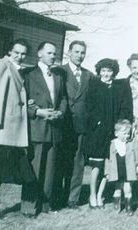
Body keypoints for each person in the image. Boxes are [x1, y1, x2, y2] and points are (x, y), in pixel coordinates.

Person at [0, 39, 34, 219]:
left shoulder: (16, 69)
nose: (20, 56)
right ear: (10, 51)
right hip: (1, 127)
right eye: (17, 52)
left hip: (12, 128)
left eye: (24, 53)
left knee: (1, 168)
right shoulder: (1, 64)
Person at [21, 42, 67, 217]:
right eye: (49, 53)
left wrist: (60, 113)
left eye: (54, 53)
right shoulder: (28, 74)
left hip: (54, 128)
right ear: (39, 54)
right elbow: (20, 101)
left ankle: (45, 205)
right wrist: (38, 112)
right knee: (34, 168)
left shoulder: (57, 75)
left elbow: (63, 98)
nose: (53, 56)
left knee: (50, 170)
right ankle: (29, 207)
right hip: (37, 128)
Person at [84, 58, 132, 209]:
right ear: (99, 71)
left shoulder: (118, 88)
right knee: (97, 166)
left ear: (114, 72)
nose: (106, 74)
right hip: (98, 133)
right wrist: (96, 122)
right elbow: (88, 107)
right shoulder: (94, 85)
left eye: (109, 71)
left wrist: (120, 126)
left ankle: (100, 195)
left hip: (113, 133)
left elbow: (124, 108)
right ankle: (92, 195)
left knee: (108, 167)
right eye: (103, 70)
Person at [52, 40, 94, 210]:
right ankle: (55, 197)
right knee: (59, 161)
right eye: (76, 52)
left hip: (81, 126)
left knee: (78, 163)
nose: (79, 55)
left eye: (82, 52)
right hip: (63, 124)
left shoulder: (89, 75)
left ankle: (72, 199)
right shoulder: (59, 71)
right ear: (69, 52)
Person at [104, 119, 137, 216]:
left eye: (128, 134)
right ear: (116, 133)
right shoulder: (112, 144)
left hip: (128, 171)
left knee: (128, 189)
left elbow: (135, 156)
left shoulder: (131, 144)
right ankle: (116, 205)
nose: (126, 136)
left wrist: (137, 167)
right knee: (117, 189)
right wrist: (107, 171)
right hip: (117, 171)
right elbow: (108, 158)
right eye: (124, 133)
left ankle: (128, 207)